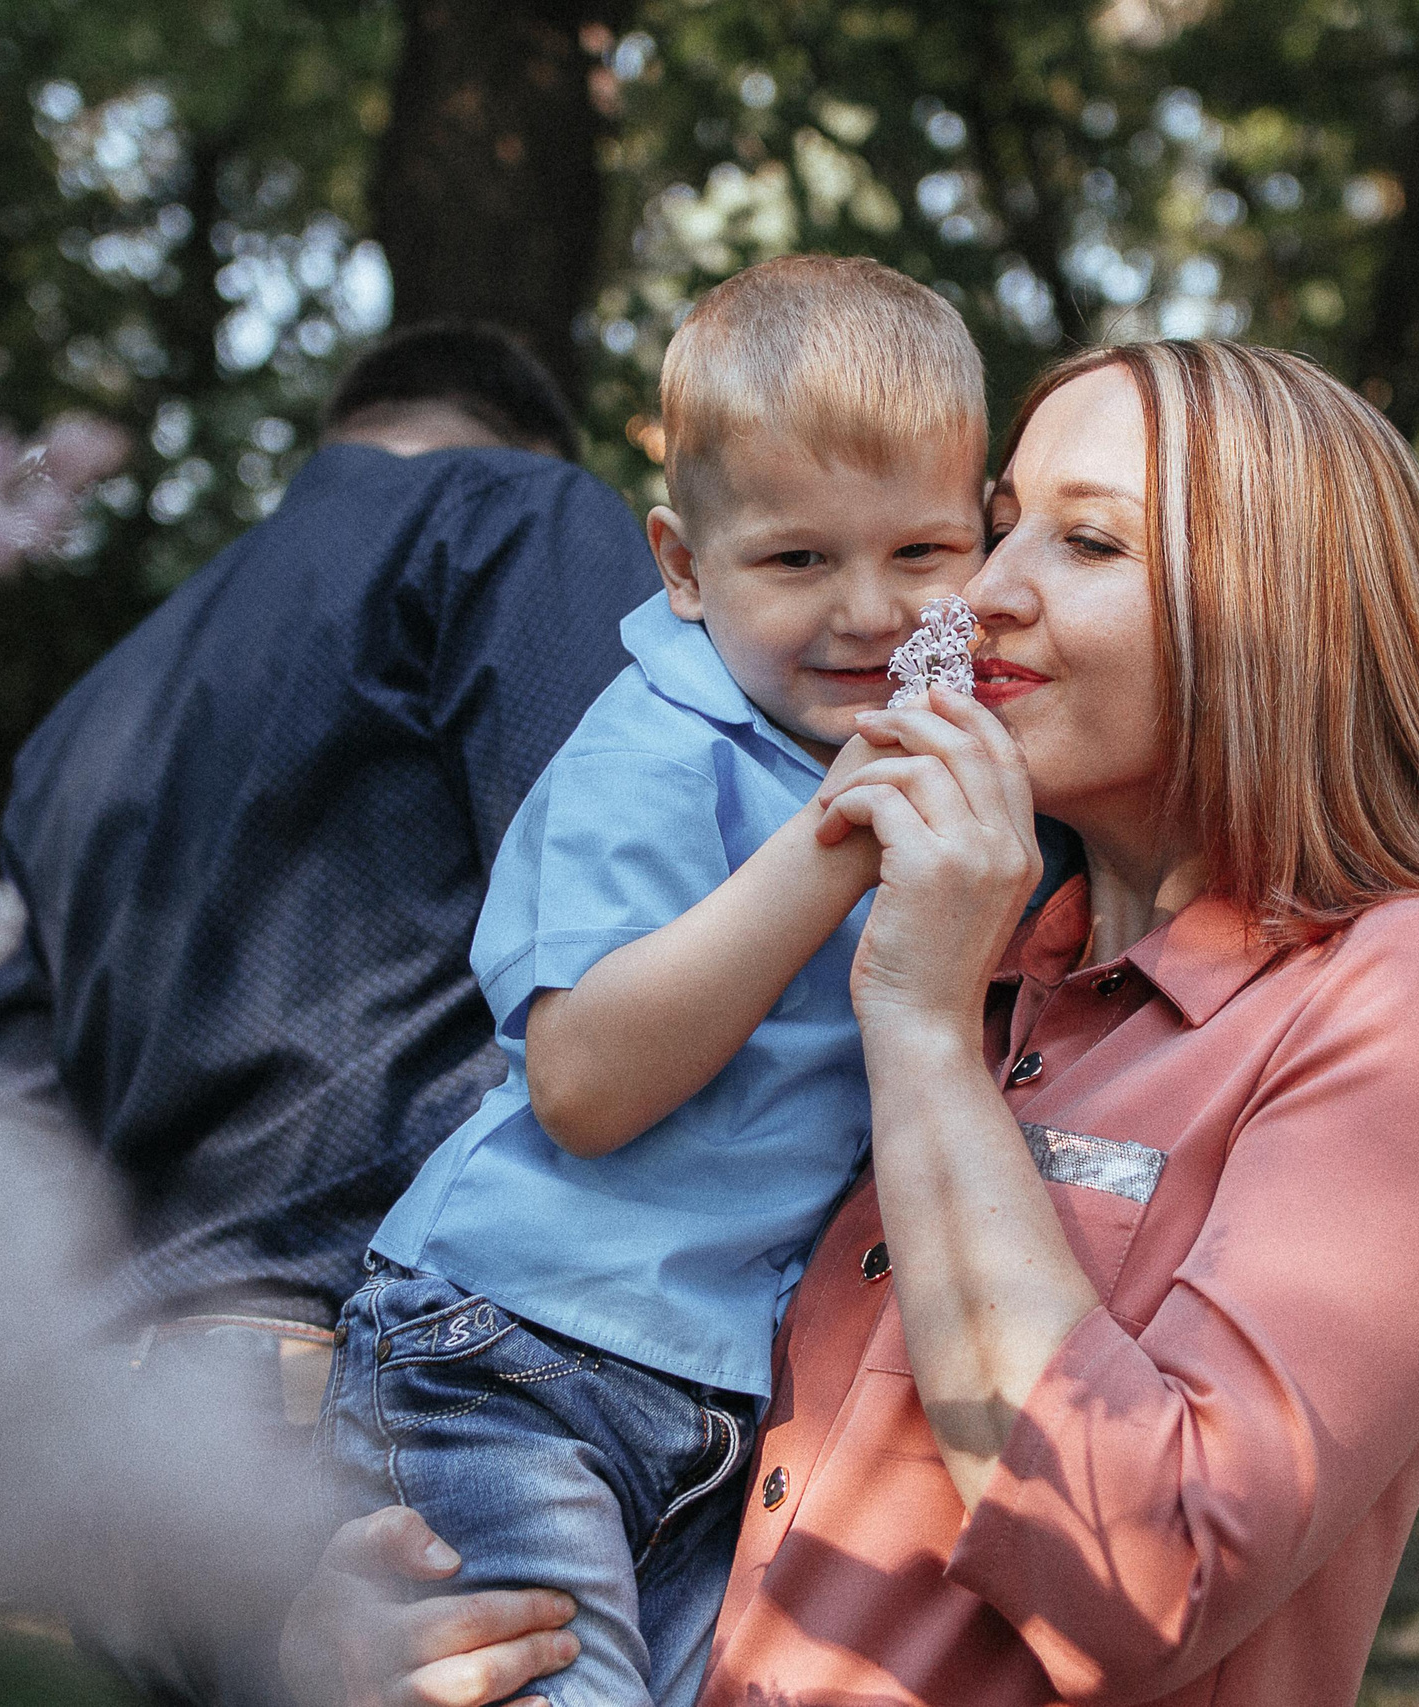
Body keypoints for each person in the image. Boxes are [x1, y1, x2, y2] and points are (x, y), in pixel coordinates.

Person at [279, 338, 1419, 1707]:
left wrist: (924, 1028)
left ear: (1282, 614)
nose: (979, 595)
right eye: (1001, 526)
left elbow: (1153, 1570)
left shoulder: (1414, 977)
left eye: (1087, 543)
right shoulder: (986, 944)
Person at [321, 256, 989, 1707]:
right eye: (798, 560)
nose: (870, 612)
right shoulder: (657, 748)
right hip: (514, 1357)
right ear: (684, 565)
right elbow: (582, 1083)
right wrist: (830, 846)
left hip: (714, 1399)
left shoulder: (910, 748)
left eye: (923, 555)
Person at [0, 322, 660, 1423]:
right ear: (537, 442)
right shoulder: (517, 512)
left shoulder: (78, 721)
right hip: (408, 1377)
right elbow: (633, 918)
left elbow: (9, 1132)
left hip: (119, 1431)